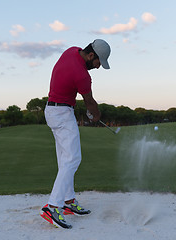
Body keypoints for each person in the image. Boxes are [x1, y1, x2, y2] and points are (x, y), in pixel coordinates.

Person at [40, 39, 111, 229]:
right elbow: (89, 101)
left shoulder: (71, 51)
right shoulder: (82, 75)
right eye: (97, 63)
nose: (97, 67)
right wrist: (96, 116)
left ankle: (69, 201)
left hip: (53, 110)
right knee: (73, 159)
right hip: (62, 114)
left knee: (65, 159)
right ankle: (53, 206)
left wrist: (89, 110)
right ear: (91, 55)